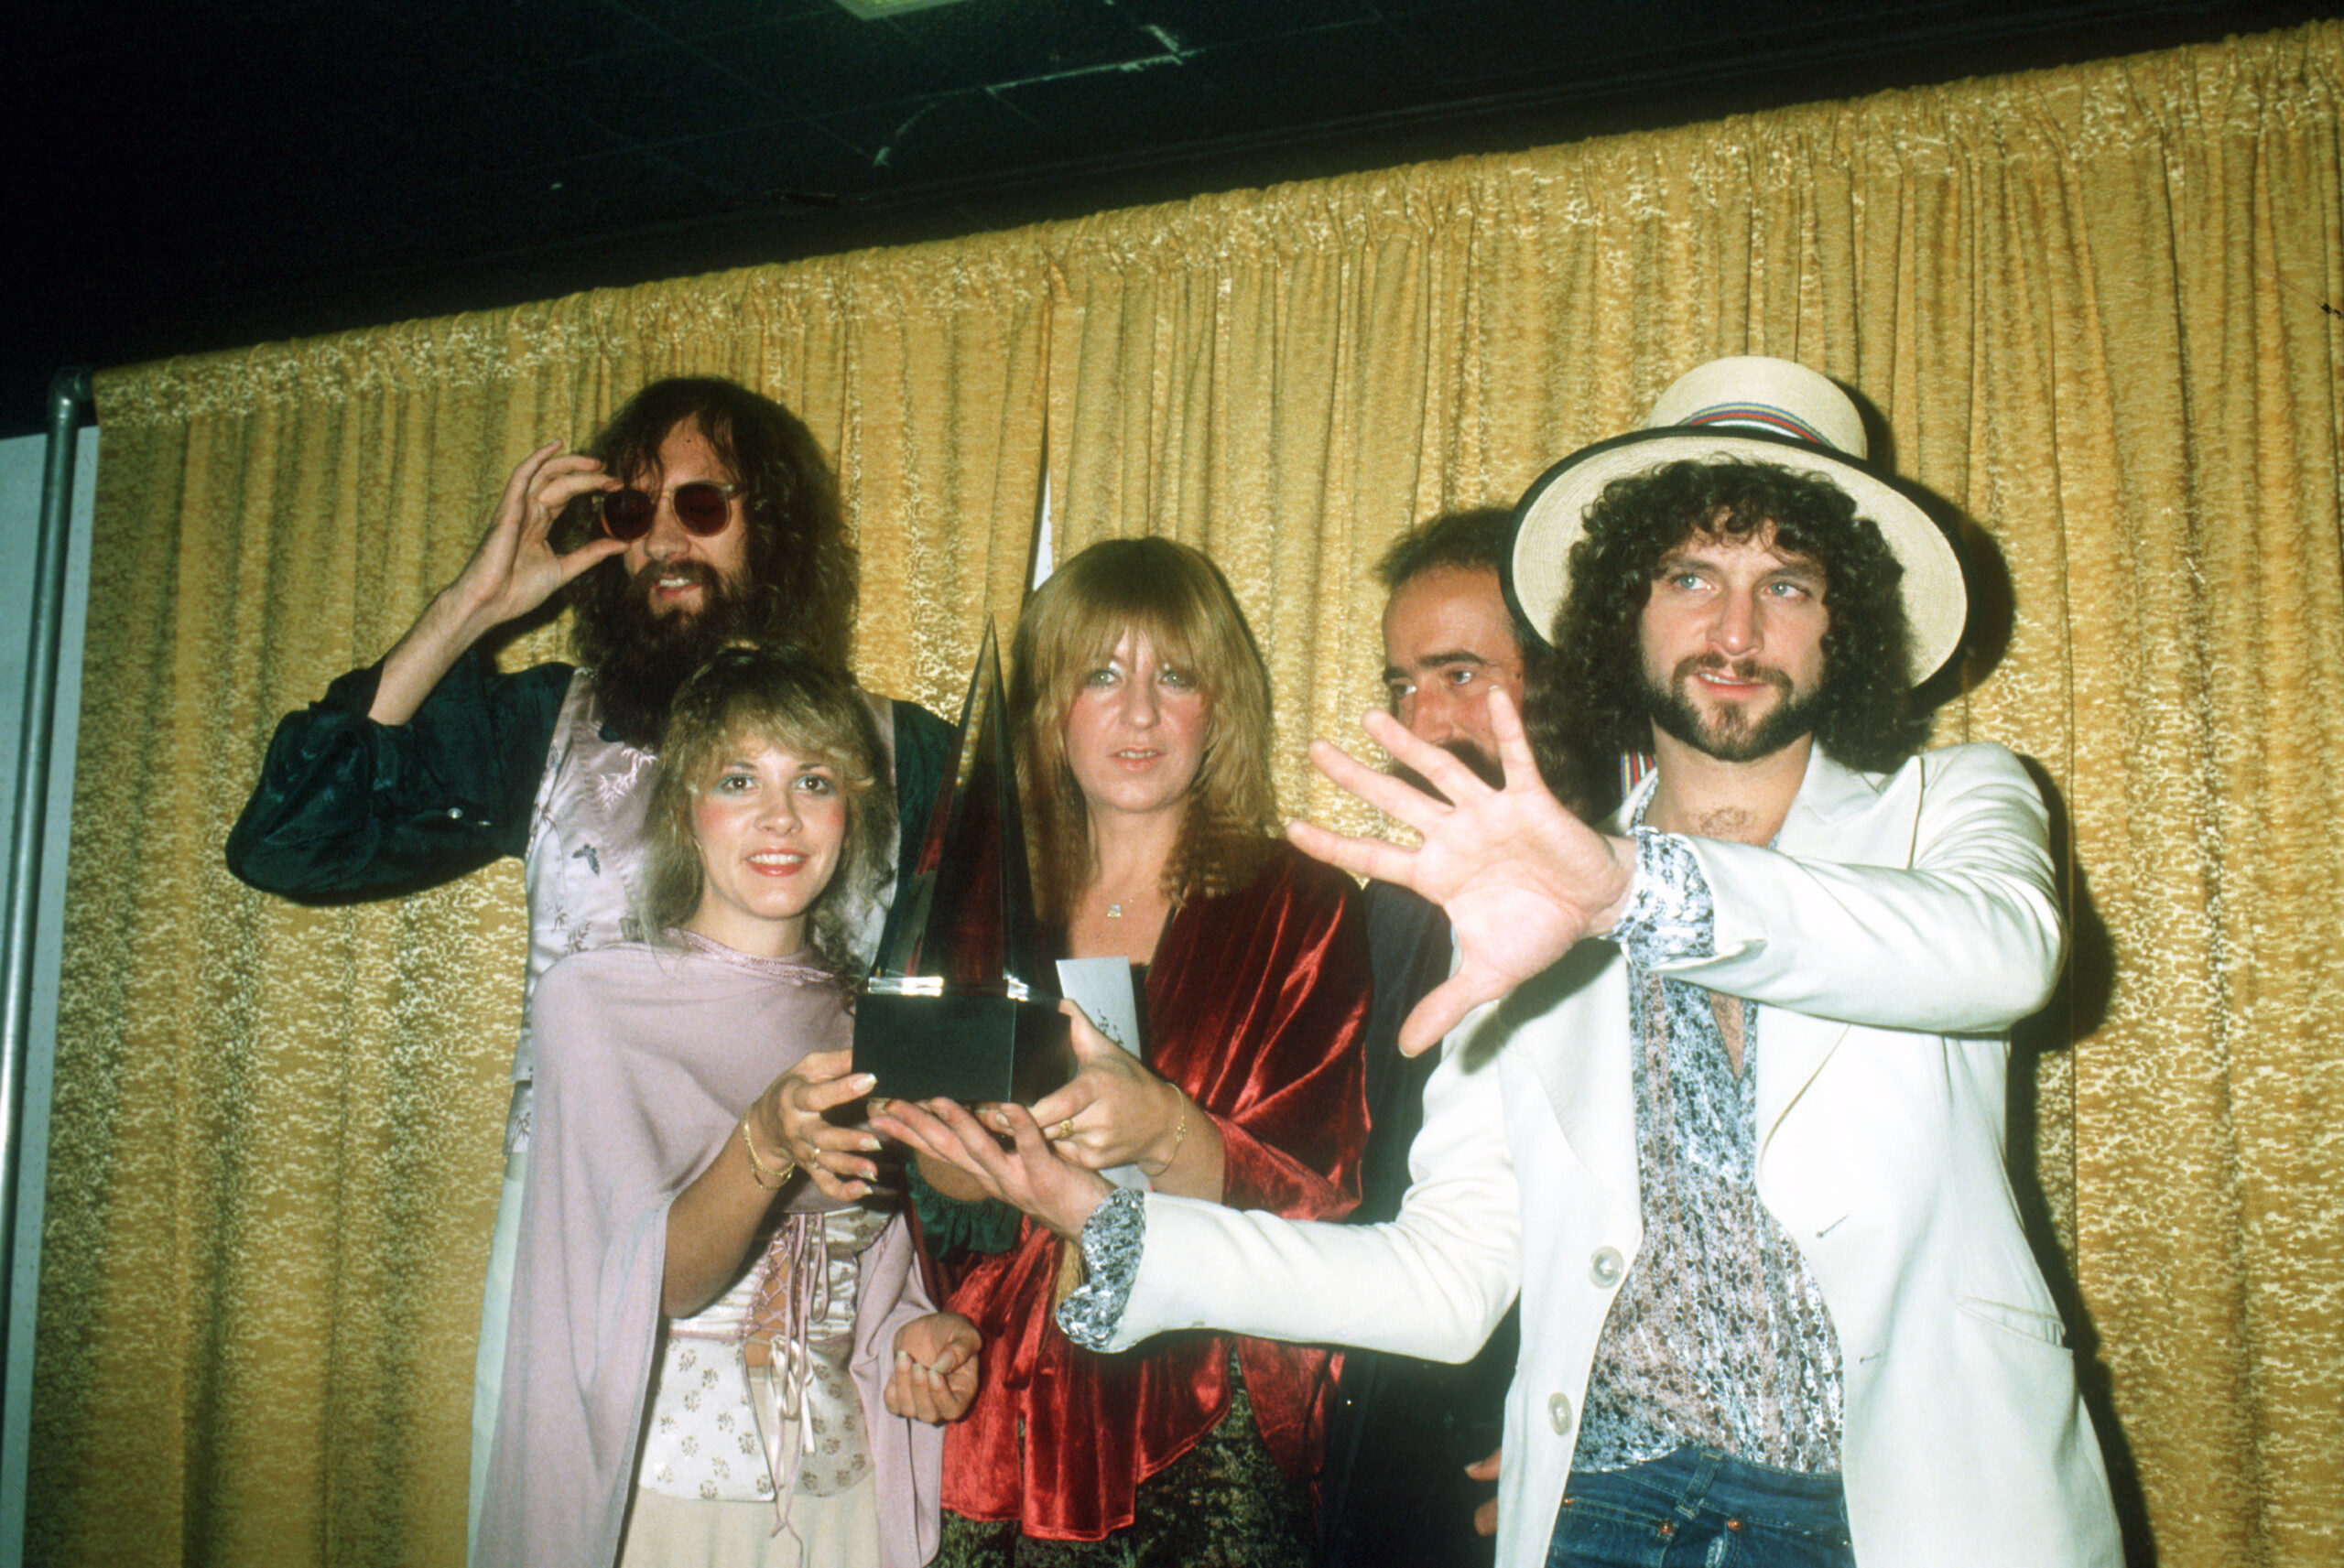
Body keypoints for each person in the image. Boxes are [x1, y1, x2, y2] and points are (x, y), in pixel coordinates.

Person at [896, 360, 2125, 1568]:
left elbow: (1999, 954)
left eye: (1787, 583)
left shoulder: (1955, 804)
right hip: (1611, 1508)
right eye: (1690, 575)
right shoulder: (1524, 890)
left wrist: (1627, 889)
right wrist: (1106, 1223)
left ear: (1843, 618)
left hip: (1919, 1504)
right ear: (1617, 613)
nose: (1735, 628)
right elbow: (1442, 1277)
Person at [222, 377, 953, 1551]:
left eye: (703, 503)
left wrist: (933, 1305)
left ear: (774, 526)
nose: (663, 537)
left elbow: (970, 1026)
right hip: (575, 1236)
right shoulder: (550, 727)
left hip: (808, 1260)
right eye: (627, 513)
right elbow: (291, 840)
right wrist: (475, 603)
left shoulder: (896, 753)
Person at [870, 536, 1373, 1565]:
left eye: (1173, 677)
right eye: (1100, 674)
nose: (1138, 713)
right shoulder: (967, 902)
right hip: (994, 1425)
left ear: (1219, 707)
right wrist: (944, 1304)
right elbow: (924, 1203)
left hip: (1195, 1429)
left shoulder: (1303, 910)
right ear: (1049, 707)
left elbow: (1328, 1212)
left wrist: (1169, 1134)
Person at [478, 645, 975, 1568]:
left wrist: (921, 1337)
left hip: (835, 1513)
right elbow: (653, 1285)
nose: (779, 817)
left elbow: (871, 1284)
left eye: (814, 781)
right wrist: (763, 1138)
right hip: (658, 1509)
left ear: (850, 812)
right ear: (683, 809)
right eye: (739, 779)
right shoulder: (591, 1003)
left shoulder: (870, 1024)